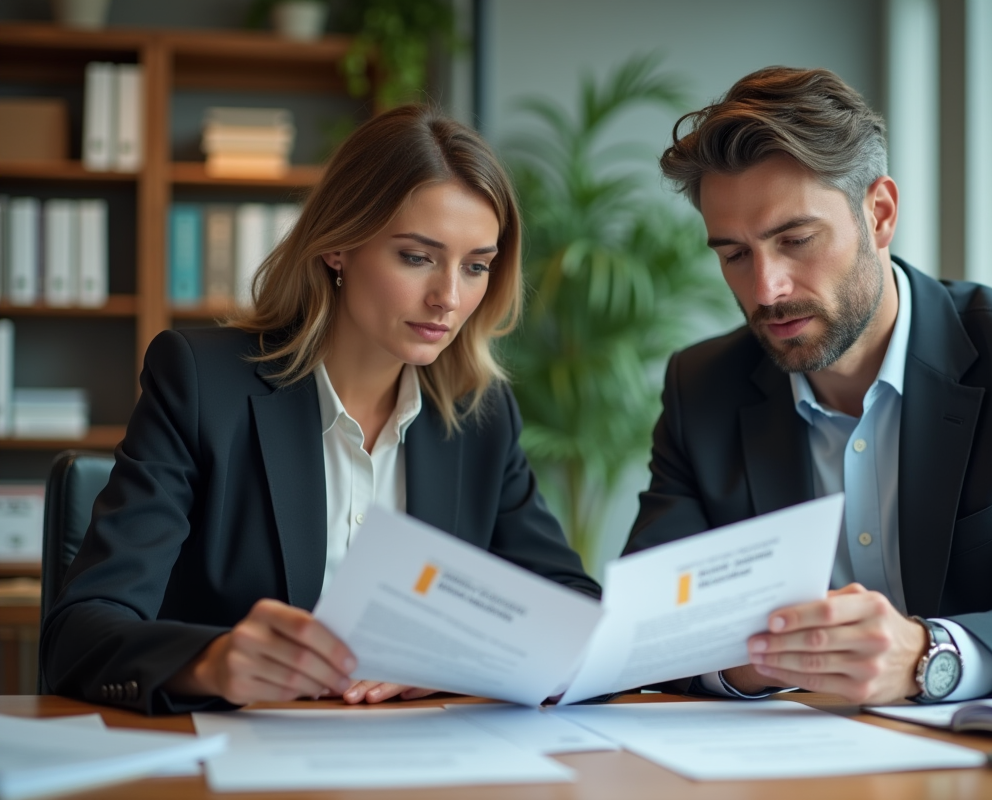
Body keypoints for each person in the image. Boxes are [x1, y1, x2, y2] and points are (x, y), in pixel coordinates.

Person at [41, 106, 600, 714]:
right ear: (338, 245)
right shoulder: (201, 384)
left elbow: (576, 614)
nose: (448, 297)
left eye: (476, 266)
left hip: (422, 760)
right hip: (235, 759)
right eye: (417, 256)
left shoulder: (479, 416)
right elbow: (78, 635)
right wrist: (213, 662)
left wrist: (453, 661)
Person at [626, 67, 992, 705]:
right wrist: (744, 663)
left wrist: (928, 658)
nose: (766, 289)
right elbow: (646, 628)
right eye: (734, 254)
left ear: (880, 213)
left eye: (795, 240)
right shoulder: (701, 388)